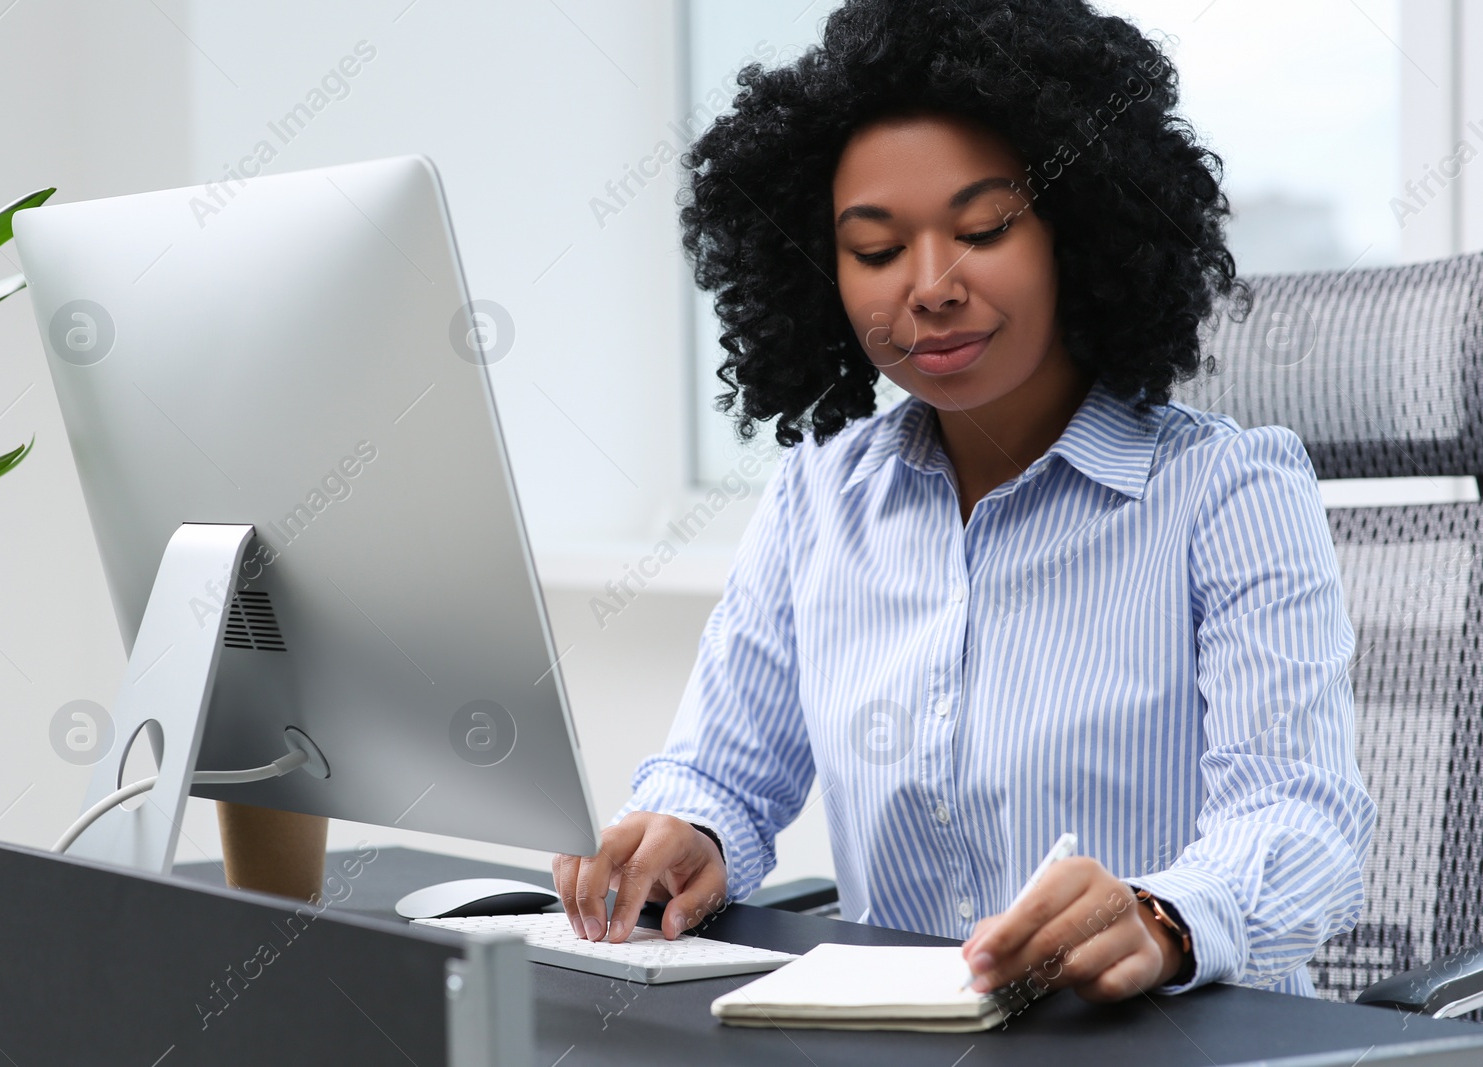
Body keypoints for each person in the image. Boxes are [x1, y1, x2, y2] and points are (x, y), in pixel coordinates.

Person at [552, 0, 1375, 1002]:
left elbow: (1302, 821)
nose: (929, 286)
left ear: (1076, 233)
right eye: (875, 249)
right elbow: (722, 771)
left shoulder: (1228, 491)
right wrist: (689, 830)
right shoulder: (820, 496)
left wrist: (1161, 915)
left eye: (983, 228)